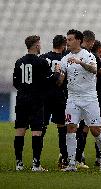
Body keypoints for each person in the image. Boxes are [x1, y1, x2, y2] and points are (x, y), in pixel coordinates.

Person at [58, 29, 101, 172]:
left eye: (70, 39)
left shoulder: (87, 55)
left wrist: (80, 62)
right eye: (67, 39)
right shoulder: (64, 58)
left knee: (95, 130)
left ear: (78, 40)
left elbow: (94, 69)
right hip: (73, 98)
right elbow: (61, 81)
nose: (67, 42)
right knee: (71, 128)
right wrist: (57, 73)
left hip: (89, 98)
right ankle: (72, 163)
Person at [13, 35, 60, 171]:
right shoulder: (41, 62)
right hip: (36, 100)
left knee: (20, 130)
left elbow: (15, 83)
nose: (40, 46)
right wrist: (57, 72)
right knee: (36, 131)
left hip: (21, 99)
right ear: (36, 45)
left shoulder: (19, 62)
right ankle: (36, 164)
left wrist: (24, 90)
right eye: (39, 43)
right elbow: (49, 81)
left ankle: (19, 163)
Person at [39, 35, 68, 169]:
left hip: (44, 97)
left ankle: (36, 159)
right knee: (62, 129)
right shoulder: (64, 59)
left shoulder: (43, 58)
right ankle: (63, 159)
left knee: (41, 129)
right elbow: (61, 81)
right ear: (63, 45)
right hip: (59, 97)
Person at [75, 30, 96, 169]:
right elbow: (97, 70)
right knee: (83, 128)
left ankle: (71, 155)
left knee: (76, 127)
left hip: (74, 95)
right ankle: (77, 158)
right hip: (84, 96)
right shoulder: (89, 55)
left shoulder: (71, 55)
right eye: (90, 42)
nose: (90, 44)